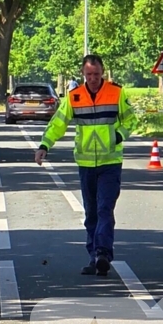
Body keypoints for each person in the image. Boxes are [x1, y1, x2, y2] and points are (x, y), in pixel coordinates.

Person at [35, 54, 137, 277]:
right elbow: (58, 123)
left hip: (110, 162)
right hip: (86, 163)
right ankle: (94, 258)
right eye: (89, 74)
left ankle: (102, 253)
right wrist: (45, 145)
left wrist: (118, 136)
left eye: (97, 74)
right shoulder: (75, 96)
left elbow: (131, 120)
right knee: (91, 212)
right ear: (83, 74)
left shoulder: (116, 93)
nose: (93, 78)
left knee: (104, 208)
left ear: (103, 73)